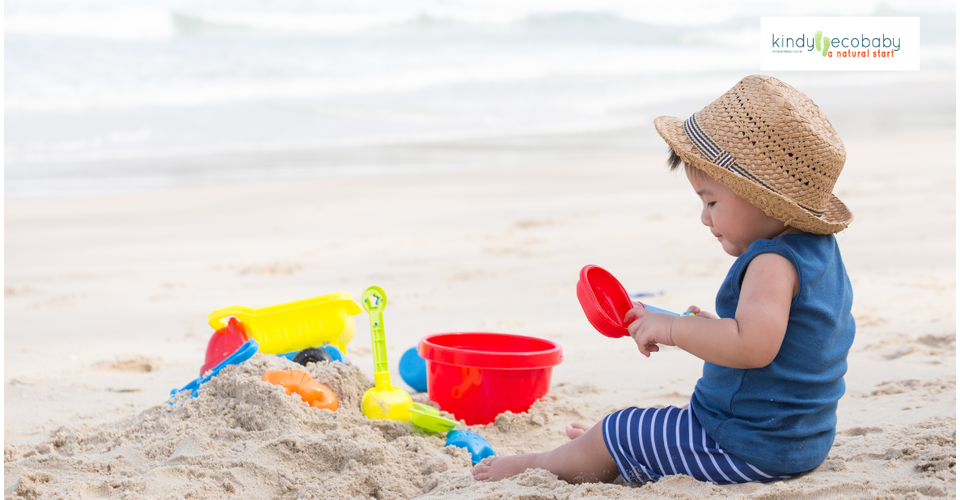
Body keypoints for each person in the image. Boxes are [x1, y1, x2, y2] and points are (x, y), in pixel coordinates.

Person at [472, 75, 856, 485]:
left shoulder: (771, 263)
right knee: (637, 431)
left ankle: (546, 464)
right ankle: (619, 452)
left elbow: (753, 347)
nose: (705, 217)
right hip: (797, 441)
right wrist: (714, 328)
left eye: (711, 202)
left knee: (619, 427)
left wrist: (676, 328)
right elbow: (786, 341)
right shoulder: (818, 252)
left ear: (761, 197)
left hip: (746, 447)